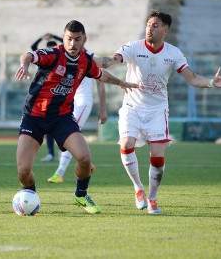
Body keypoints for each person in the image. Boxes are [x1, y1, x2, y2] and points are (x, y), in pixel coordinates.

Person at [93, 10, 221, 214]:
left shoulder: (173, 53)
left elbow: (193, 79)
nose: (150, 28)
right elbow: (110, 62)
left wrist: (212, 82)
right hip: (132, 107)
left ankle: (152, 198)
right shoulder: (133, 46)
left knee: (158, 159)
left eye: (156, 25)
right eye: (149, 24)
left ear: (166, 30)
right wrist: (88, 58)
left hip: (157, 110)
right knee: (126, 145)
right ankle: (138, 188)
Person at [14, 20, 138, 214]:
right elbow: (28, 55)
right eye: (69, 39)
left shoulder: (86, 61)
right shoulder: (53, 54)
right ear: (63, 38)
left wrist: (121, 82)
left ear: (84, 40)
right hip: (34, 117)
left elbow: (101, 75)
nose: (73, 44)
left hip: (62, 118)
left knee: (85, 159)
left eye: (77, 39)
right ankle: (29, 195)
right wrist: (24, 65)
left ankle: (80, 196)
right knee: (23, 170)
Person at [47, 75, 108, 183]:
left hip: (82, 102)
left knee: (69, 135)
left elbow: (100, 83)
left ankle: (59, 173)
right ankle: (85, 161)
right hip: (69, 101)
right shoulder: (68, 58)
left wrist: (103, 109)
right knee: (65, 134)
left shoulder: (93, 59)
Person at [30, 33, 64, 162]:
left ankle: (62, 152)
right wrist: (42, 38)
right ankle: (51, 154)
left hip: (60, 94)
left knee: (60, 126)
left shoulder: (62, 57)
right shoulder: (45, 58)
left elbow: (65, 44)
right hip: (46, 95)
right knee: (49, 128)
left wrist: (54, 37)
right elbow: (32, 48)